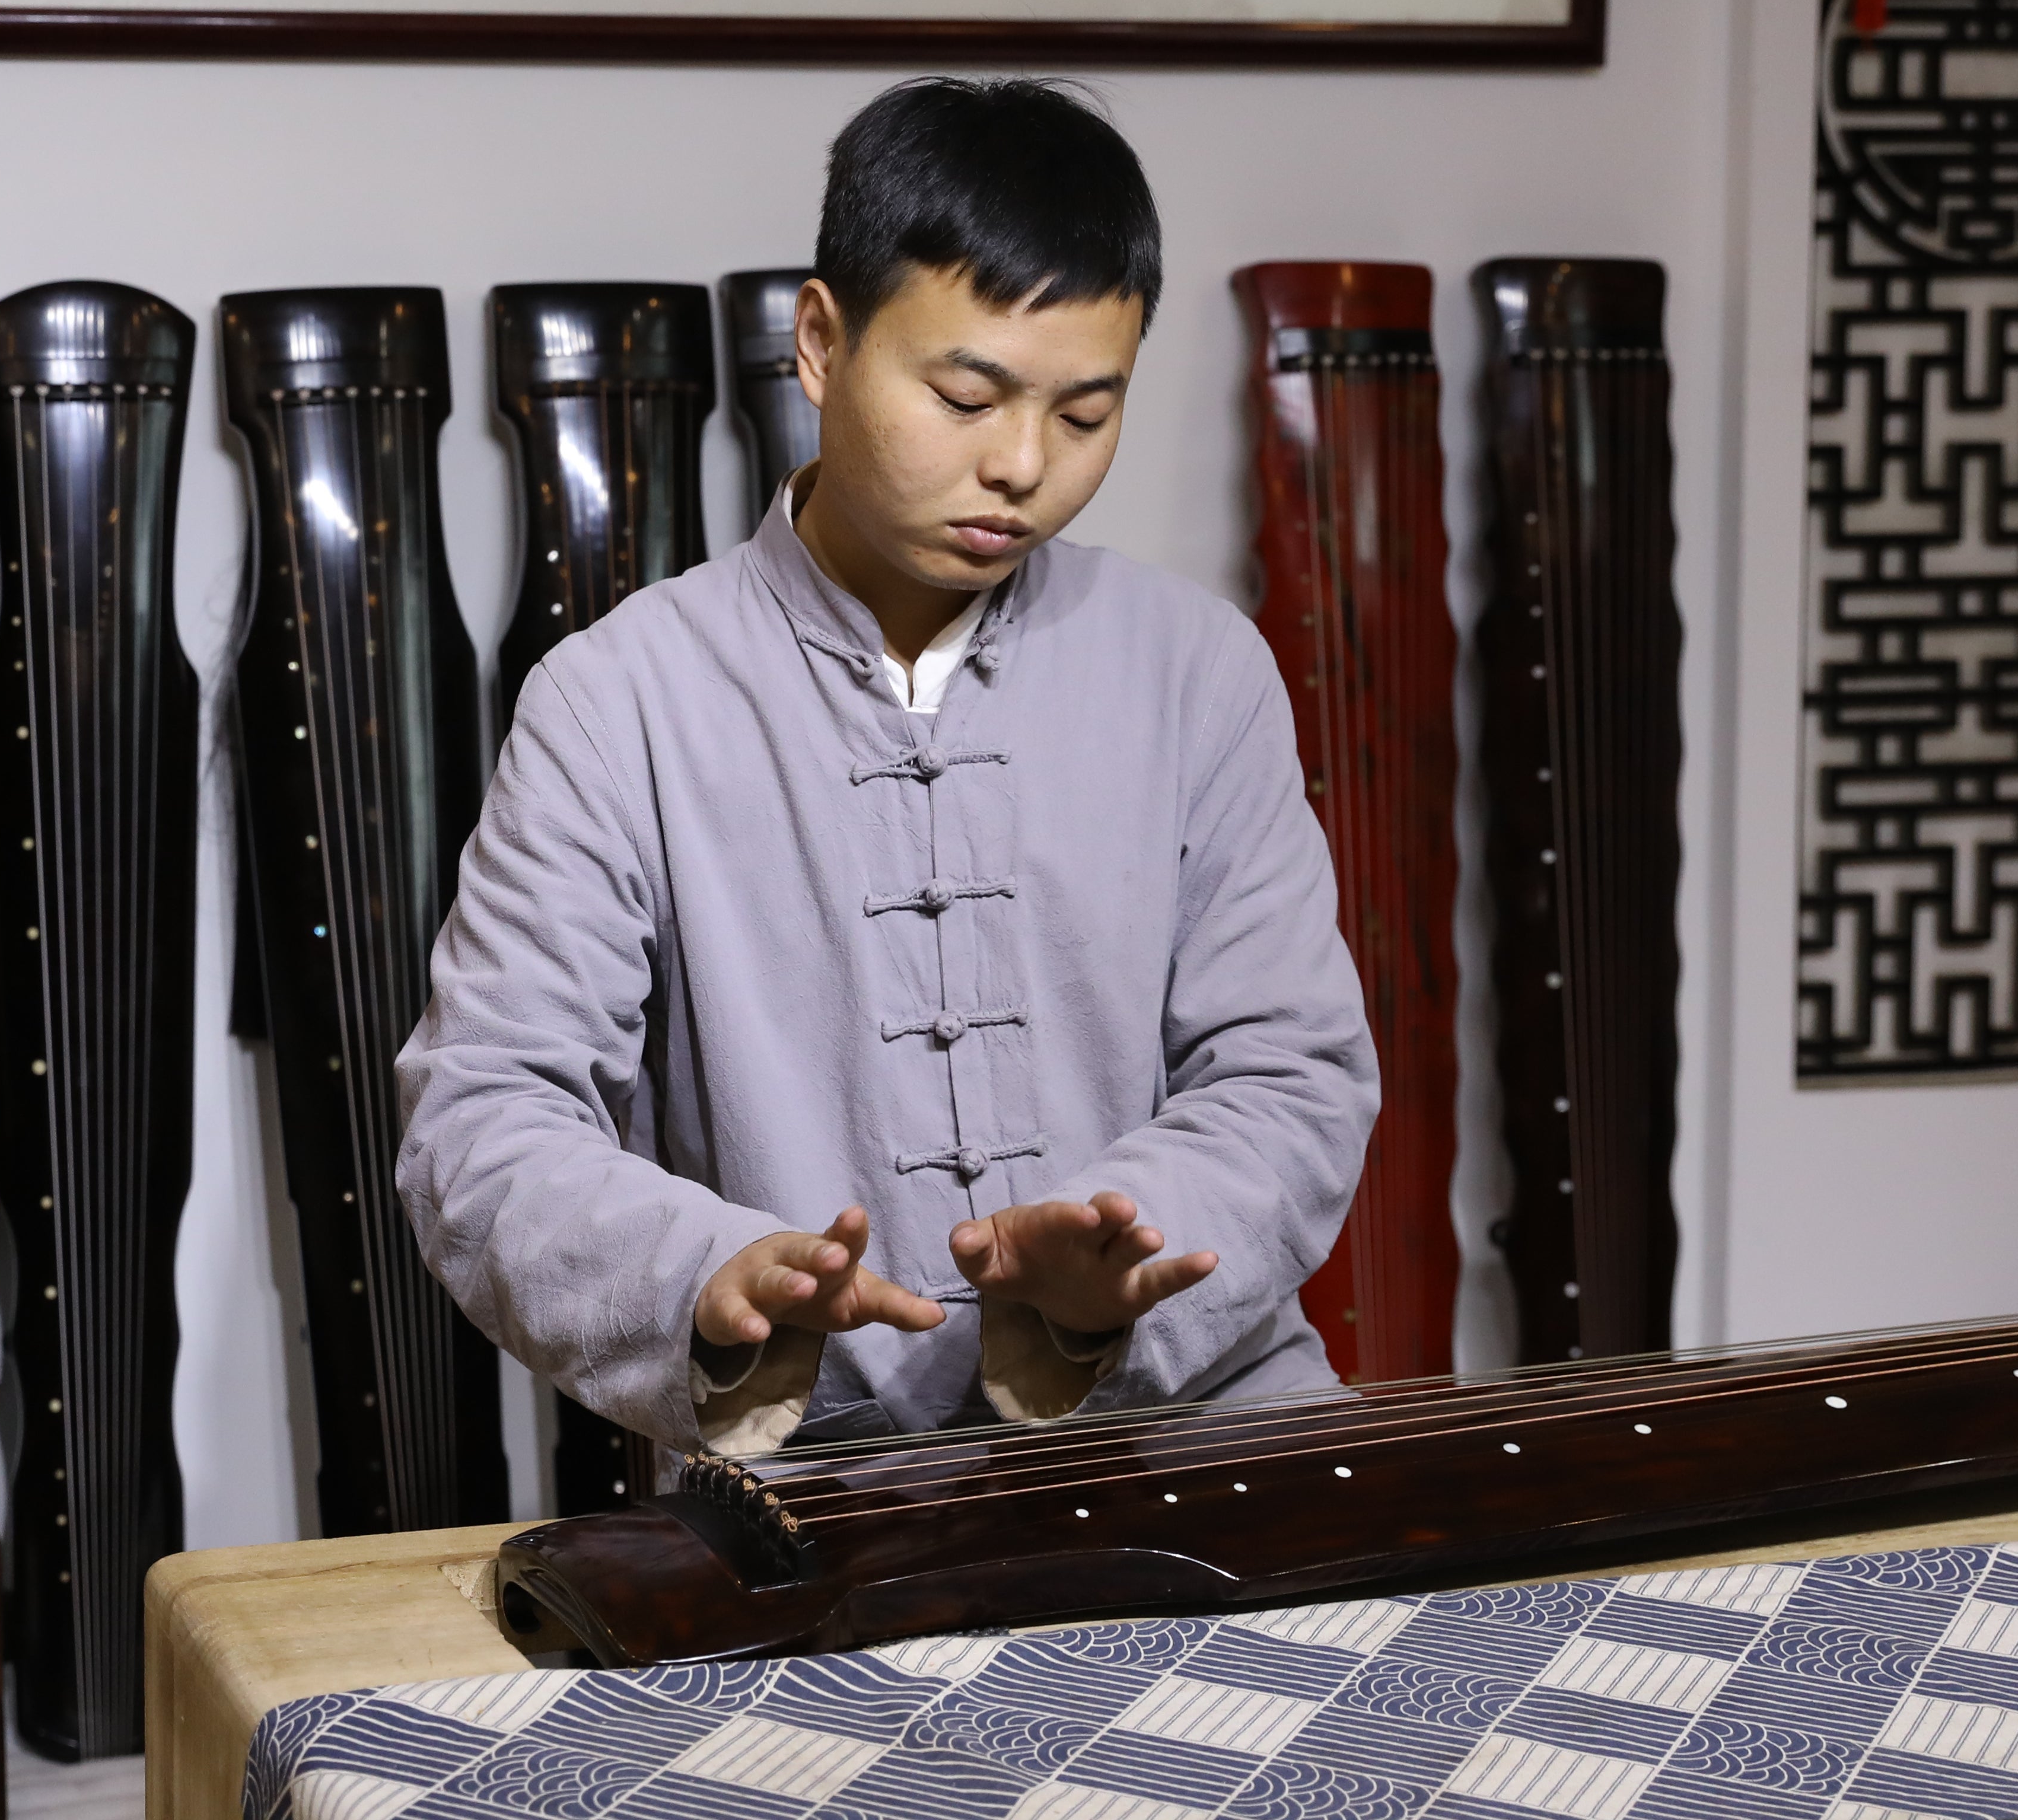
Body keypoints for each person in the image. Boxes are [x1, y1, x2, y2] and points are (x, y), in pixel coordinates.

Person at [394, 77, 1377, 1455]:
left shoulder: (1197, 669)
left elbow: (1292, 1070)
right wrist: (703, 1271)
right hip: (819, 1480)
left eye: (1087, 415)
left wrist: (1127, 1255)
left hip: (1198, 1427)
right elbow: (483, 1119)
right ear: (818, 341)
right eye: (965, 394)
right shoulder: (619, 700)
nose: (1021, 464)